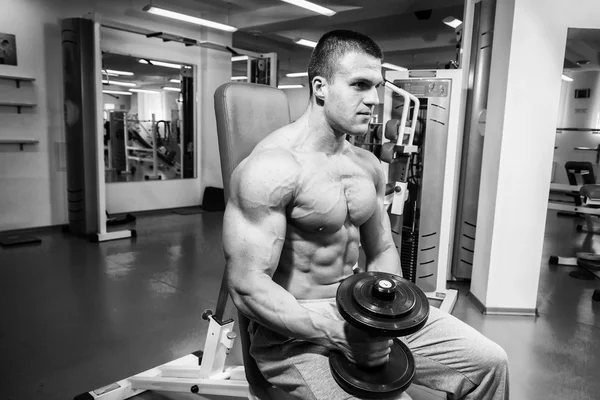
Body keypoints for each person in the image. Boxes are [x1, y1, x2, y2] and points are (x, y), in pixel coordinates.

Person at [222, 29, 509, 400]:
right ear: (321, 87)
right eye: (359, 85)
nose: (374, 99)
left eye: (377, 86)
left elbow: (383, 247)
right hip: (294, 331)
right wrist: (338, 333)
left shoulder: (368, 166)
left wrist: (384, 316)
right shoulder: (271, 169)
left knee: (490, 362)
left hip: (359, 309)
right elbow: (247, 286)